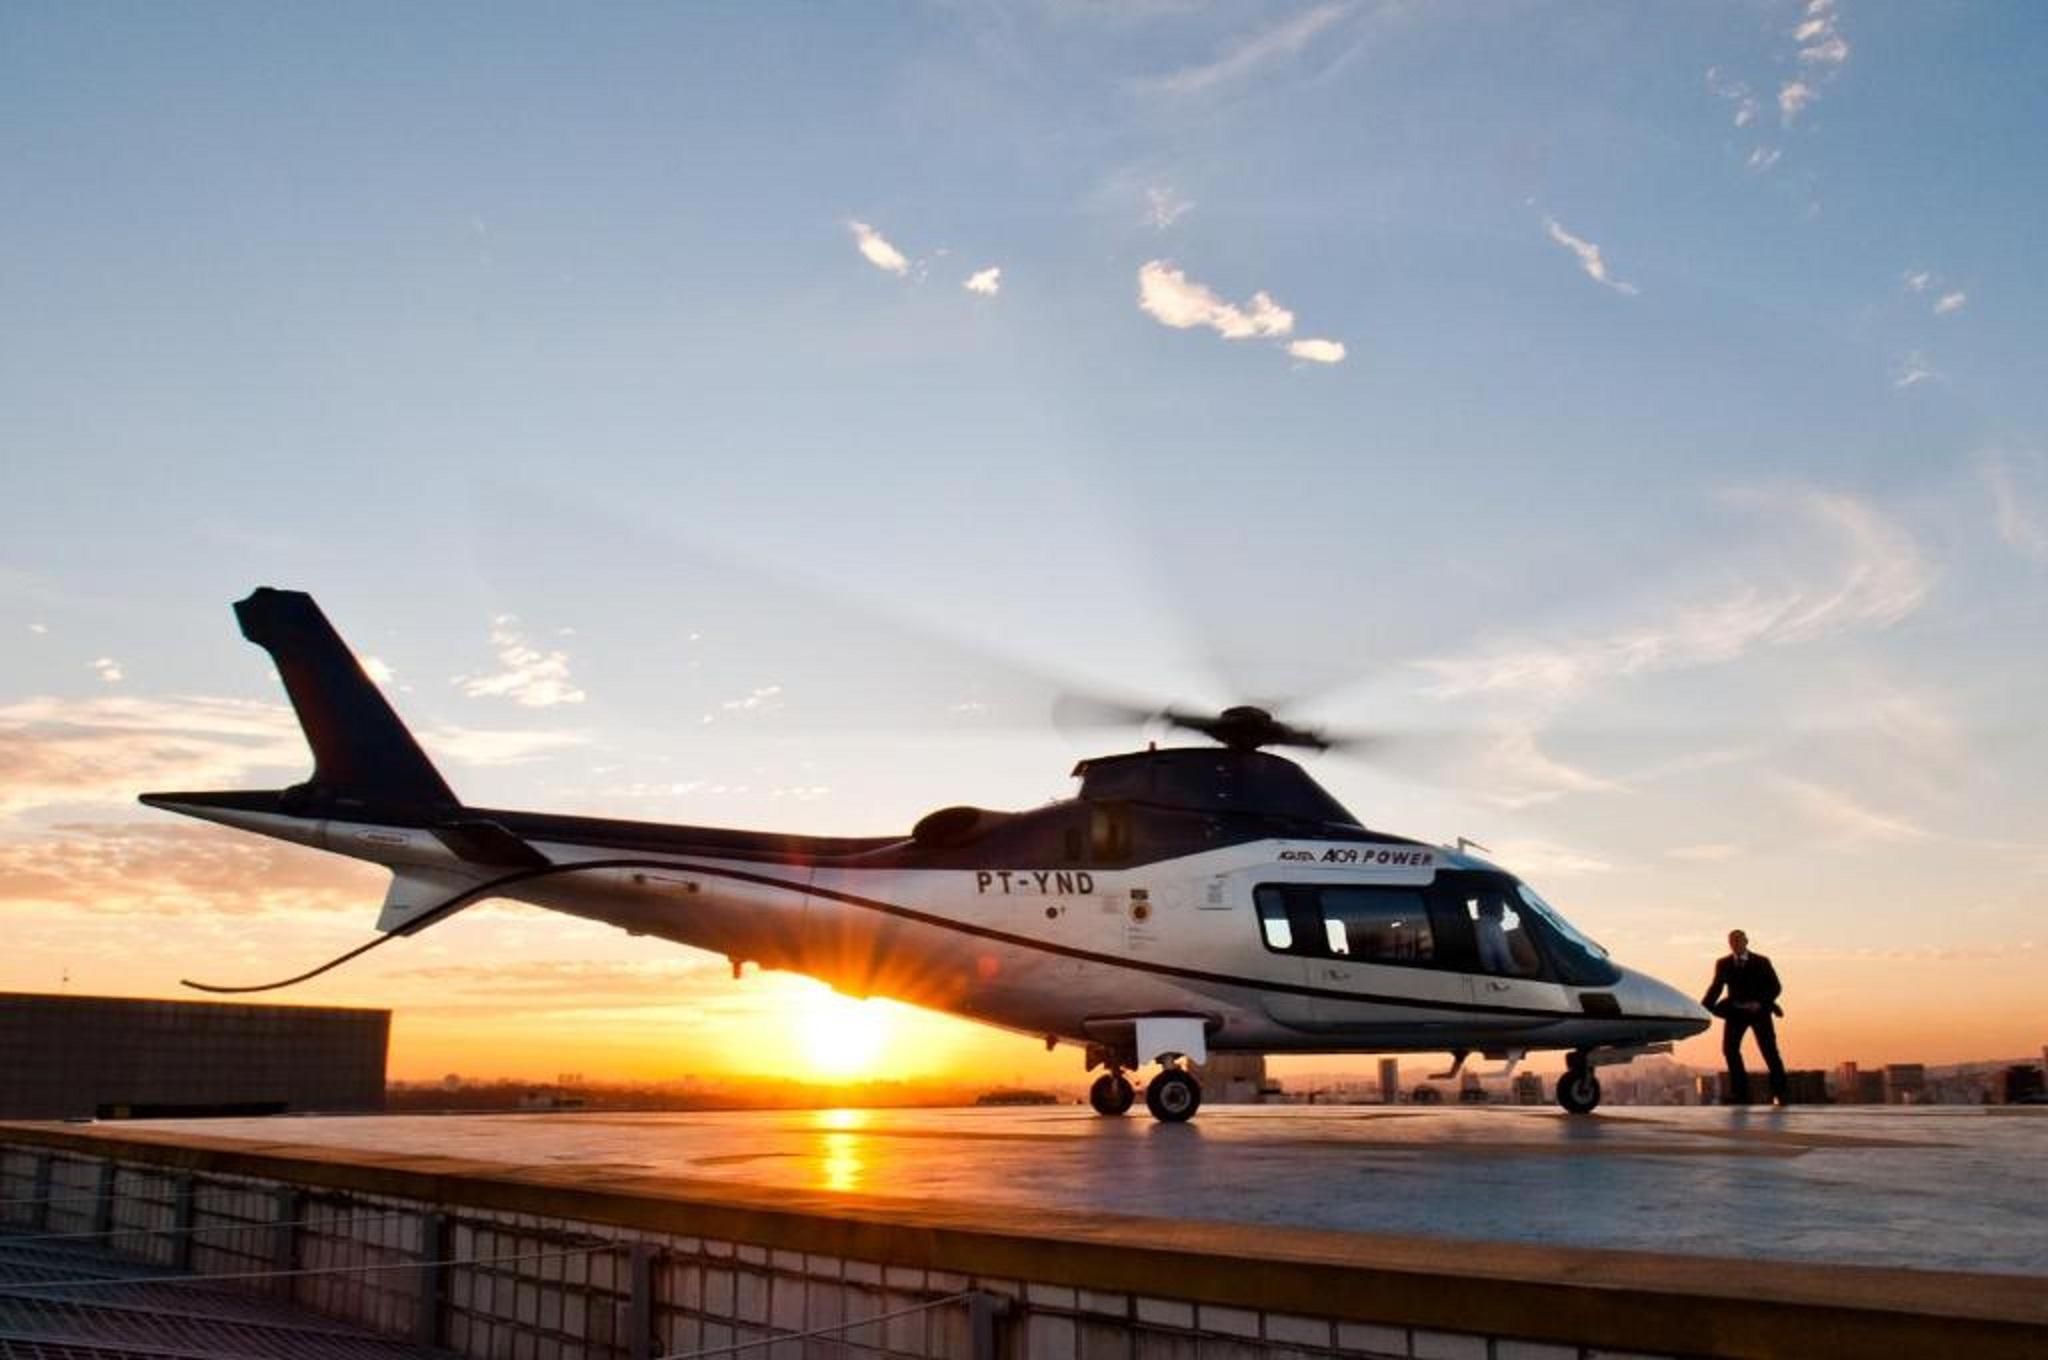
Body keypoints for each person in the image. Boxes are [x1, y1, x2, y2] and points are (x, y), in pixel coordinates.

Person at [1701, 929, 1787, 1105]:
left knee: (1769, 1051)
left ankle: (1781, 1093)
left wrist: (1760, 1003)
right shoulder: (1723, 963)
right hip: (1736, 1012)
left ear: (1746, 941)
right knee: (1730, 1050)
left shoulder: (1761, 962)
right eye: (1732, 941)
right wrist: (1701, 1009)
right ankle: (1740, 1094)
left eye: (1738, 940)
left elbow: (1775, 987)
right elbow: (1716, 988)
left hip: (1759, 1013)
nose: (1735, 944)